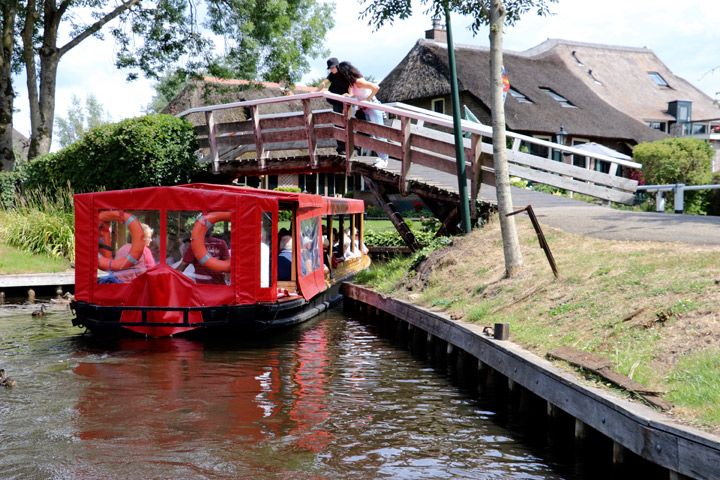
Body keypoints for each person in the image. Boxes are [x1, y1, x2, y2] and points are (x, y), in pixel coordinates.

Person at [337, 61, 389, 168]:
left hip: (373, 107)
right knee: (374, 134)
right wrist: (347, 96)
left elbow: (376, 88)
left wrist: (367, 100)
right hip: (366, 109)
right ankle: (381, 157)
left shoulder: (359, 81)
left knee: (379, 133)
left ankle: (384, 160)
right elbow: (352, 95)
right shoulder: (351, 84)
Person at [317, 57, 351, 154]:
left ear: (337, 66)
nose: (331, 70)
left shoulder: (345, 73)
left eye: (333, 68)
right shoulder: (332, 75)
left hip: (345, 101)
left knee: (346, 123)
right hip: (336, 101)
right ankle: (341, 148)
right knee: (338, 124)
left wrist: (349, 95)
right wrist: (315, 91)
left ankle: (349, 148)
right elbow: (324, 83)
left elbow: (350, 86)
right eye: (330, 68)